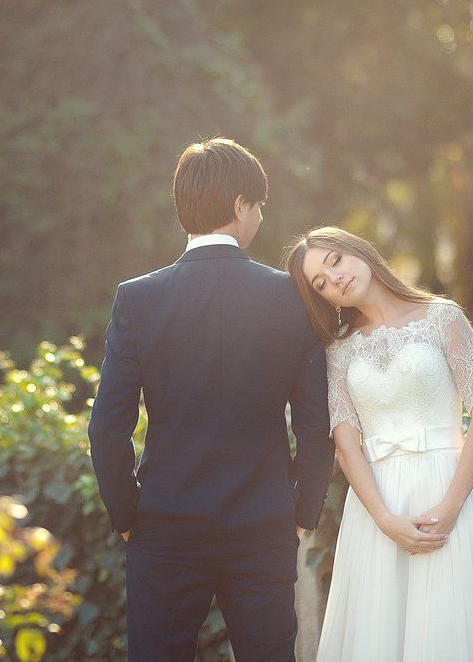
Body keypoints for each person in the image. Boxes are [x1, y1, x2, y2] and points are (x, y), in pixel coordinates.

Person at [88, 139, 335, 662]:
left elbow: (108, 428)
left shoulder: (138, 299)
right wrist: (301, 510)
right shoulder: (294, 299)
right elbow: (316, 427)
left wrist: (128, 514)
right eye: (260, 206)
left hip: (164, 526)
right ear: (241, 205)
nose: (262, 217)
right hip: (263, 526)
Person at [286, 226, 473, 662]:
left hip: (447, 492)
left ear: (358, 251)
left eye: (335, 261)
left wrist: (449, 507)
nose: (336, 279)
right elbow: (346, 443)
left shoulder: (444, 317)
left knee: (447, 631)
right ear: (324, 299)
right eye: (321, 283)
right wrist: (385, 520)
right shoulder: (338, 349)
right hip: (376, 507)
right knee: (376, 637)